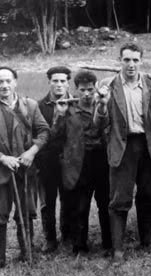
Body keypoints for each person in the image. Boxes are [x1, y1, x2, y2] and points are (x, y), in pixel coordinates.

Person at [0, 65, 50, 271]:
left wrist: (31, 152)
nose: (5, 85)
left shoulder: (30, 106)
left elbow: (43, 132)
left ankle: (27, 251)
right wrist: (2, 158)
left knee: (26, 211)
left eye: (8, 81)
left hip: (26, 170)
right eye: (0, 81)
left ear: (15, 82)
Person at [94, 42, 151, 262]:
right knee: (119, 198)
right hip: (123, 147)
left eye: (135, 60)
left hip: (148, 146)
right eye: (126, 60)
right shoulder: (108, 86)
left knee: (148, 195)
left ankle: (147, 241)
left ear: (141, 61)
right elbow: (98, 123)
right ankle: (117, 249)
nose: (131, 65)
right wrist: (103, 104)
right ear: (120, 61)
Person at [51, 69, 111, 254]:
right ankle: (79, 245)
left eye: (90, 90)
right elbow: (55, 137)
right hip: (79, 162)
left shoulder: (102, 105)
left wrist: (102, 103)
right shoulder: (67, 108)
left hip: (102, 159)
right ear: (76, 90)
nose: (86, 94)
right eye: (82, 90)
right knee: (80, 205)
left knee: (105, 202)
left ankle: (109, 243)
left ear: (96, 89)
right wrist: (59, 116)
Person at [36, 65, 71, 253]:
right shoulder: (39, 106)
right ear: (49, 82)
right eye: (55, 81)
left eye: (63, 81)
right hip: (47, 162)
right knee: (47, 202)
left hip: (69, 161)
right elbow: (39, 135)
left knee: (68, 200)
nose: (59, 85)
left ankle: (67, 236)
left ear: (68, 82)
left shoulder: (76, 102)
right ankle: (50, 239)